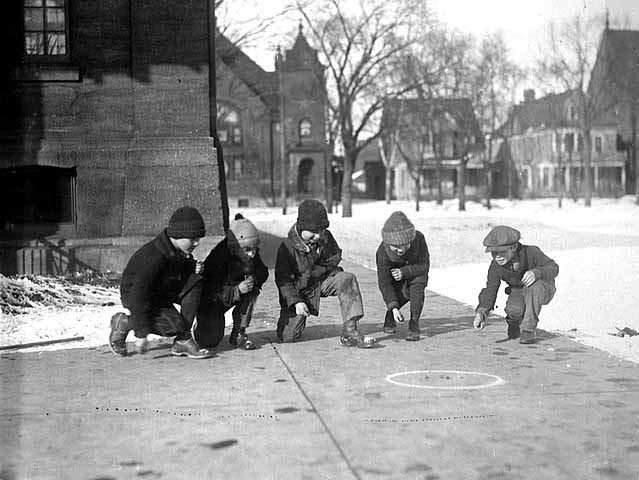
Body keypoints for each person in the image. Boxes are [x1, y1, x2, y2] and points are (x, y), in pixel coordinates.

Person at [108, 206, 212, 358]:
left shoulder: (175, 249)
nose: (197, 243)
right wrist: (141, 333)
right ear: (178, 235)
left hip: (160, 290)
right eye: (193, 239)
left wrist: (191, 267)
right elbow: (139, 294)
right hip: (138, 296)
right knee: (173, 326)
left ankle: (183, 339)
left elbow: (175, 267)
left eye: (198, 239)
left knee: (195, 282)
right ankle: (124, 322)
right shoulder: (154, 257)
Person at [274, 199, 376, 348]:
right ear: (301, 227)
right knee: (287, 336)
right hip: (300, 292)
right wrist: (296, 302)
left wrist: (322, 269)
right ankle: (293, 317)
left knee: (347, 279)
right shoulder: (287, 248)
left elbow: (335, 255)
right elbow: (284, 281)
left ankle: (350, 331)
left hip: (322, 282)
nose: (318, 235)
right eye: (314, 231)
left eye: (321, 230)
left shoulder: (325, 237)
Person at [473, 225, 559, 344]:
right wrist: (482, 312)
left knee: (535, 287)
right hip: (519, 290)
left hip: (543, 288)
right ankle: (515, 323)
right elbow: (491, 289)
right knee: (513, 311)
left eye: (502, 252)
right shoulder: (495, 266)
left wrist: (537, 273)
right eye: (493, 253)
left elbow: (553, 267)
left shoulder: (532, 252)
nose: (497, 256)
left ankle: (528, 330)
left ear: (514, 247)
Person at [195, 214, 269, 350]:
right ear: (234, 248)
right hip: (213, 303)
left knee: (253, 290)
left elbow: (263, 271)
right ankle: (199, 327)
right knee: (209, 341)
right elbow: (210, 290)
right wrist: (237, 290)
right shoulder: (218, 257)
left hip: (234, 295)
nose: (252, 254)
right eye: (247, 250)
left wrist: (254, 279)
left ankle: (238, 333)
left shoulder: (249, 252)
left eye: (254, 249)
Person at [376, 211, 430, 341]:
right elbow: (384, 283)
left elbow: (424, 265)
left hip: (415, 274)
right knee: (398, 294)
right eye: (396, 246)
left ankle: (414, 322)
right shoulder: (382, 252)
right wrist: (393, 307)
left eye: (406, 244)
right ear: (388, 243)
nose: (401, 250)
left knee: (418, 286)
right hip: (394, 281)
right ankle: (391, 314)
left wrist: (405, 272)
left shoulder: (419, 239)